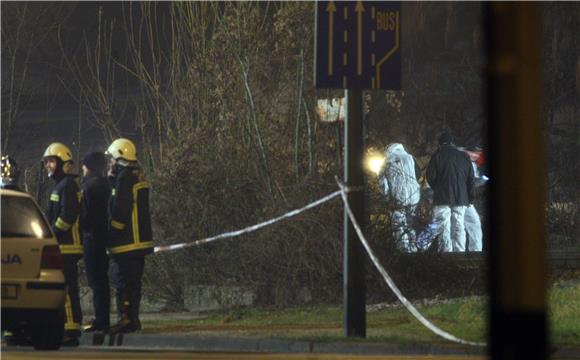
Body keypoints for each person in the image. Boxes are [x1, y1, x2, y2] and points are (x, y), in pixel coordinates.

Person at [105, 138, 153, 333]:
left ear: (119, 158)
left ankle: (126, 320)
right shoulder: (134, 175)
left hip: (126, 242)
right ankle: (132, 319)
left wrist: (112, 233)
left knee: (122, 282)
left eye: (112, 159)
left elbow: (121, 208)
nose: (110, 163)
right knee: (133, 283)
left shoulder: (124, 177)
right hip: (138, 242)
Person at [43, 142, 83, 346]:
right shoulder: (59, 186)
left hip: (67, 246)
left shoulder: (67, 185)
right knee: (65, 289)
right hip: (62, 246)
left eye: (51, 161)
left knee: (66, 289)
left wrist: (52, 233)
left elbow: (67, 216)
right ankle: (70, 326)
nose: (48, 165)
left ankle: (71, 329)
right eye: (48, 162)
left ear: (61, 162)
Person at [425, 132, 475, 252]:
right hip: (461, 197)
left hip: (442, 196)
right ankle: (460, 251)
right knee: (459, 225)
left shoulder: (437, 155)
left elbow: (430, 176)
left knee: (443, 224)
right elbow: (470, 178)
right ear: (453, 143)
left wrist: (437, 188)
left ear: (440, 143)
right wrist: (470, 197)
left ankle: (446, 251)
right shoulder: (463, 156)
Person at [80, 152, 111, 333]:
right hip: (103, 238)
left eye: (84, 165)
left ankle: (100, 320)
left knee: (95, 280)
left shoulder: (88, 187)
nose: (82, 168)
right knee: (102, 280)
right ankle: (103, 317)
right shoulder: (105, 184)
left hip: (92, 239)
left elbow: (85, 216)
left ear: (90, 166)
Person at [378, 143, 422, 251]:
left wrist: (387, 199)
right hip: (414, 196)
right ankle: (414, 250)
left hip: (398, 197)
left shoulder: (385, 162)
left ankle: (404, 252)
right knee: (411, 224)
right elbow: (418, 174)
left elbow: (383, 184)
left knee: (399, 226)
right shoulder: (410, 157)